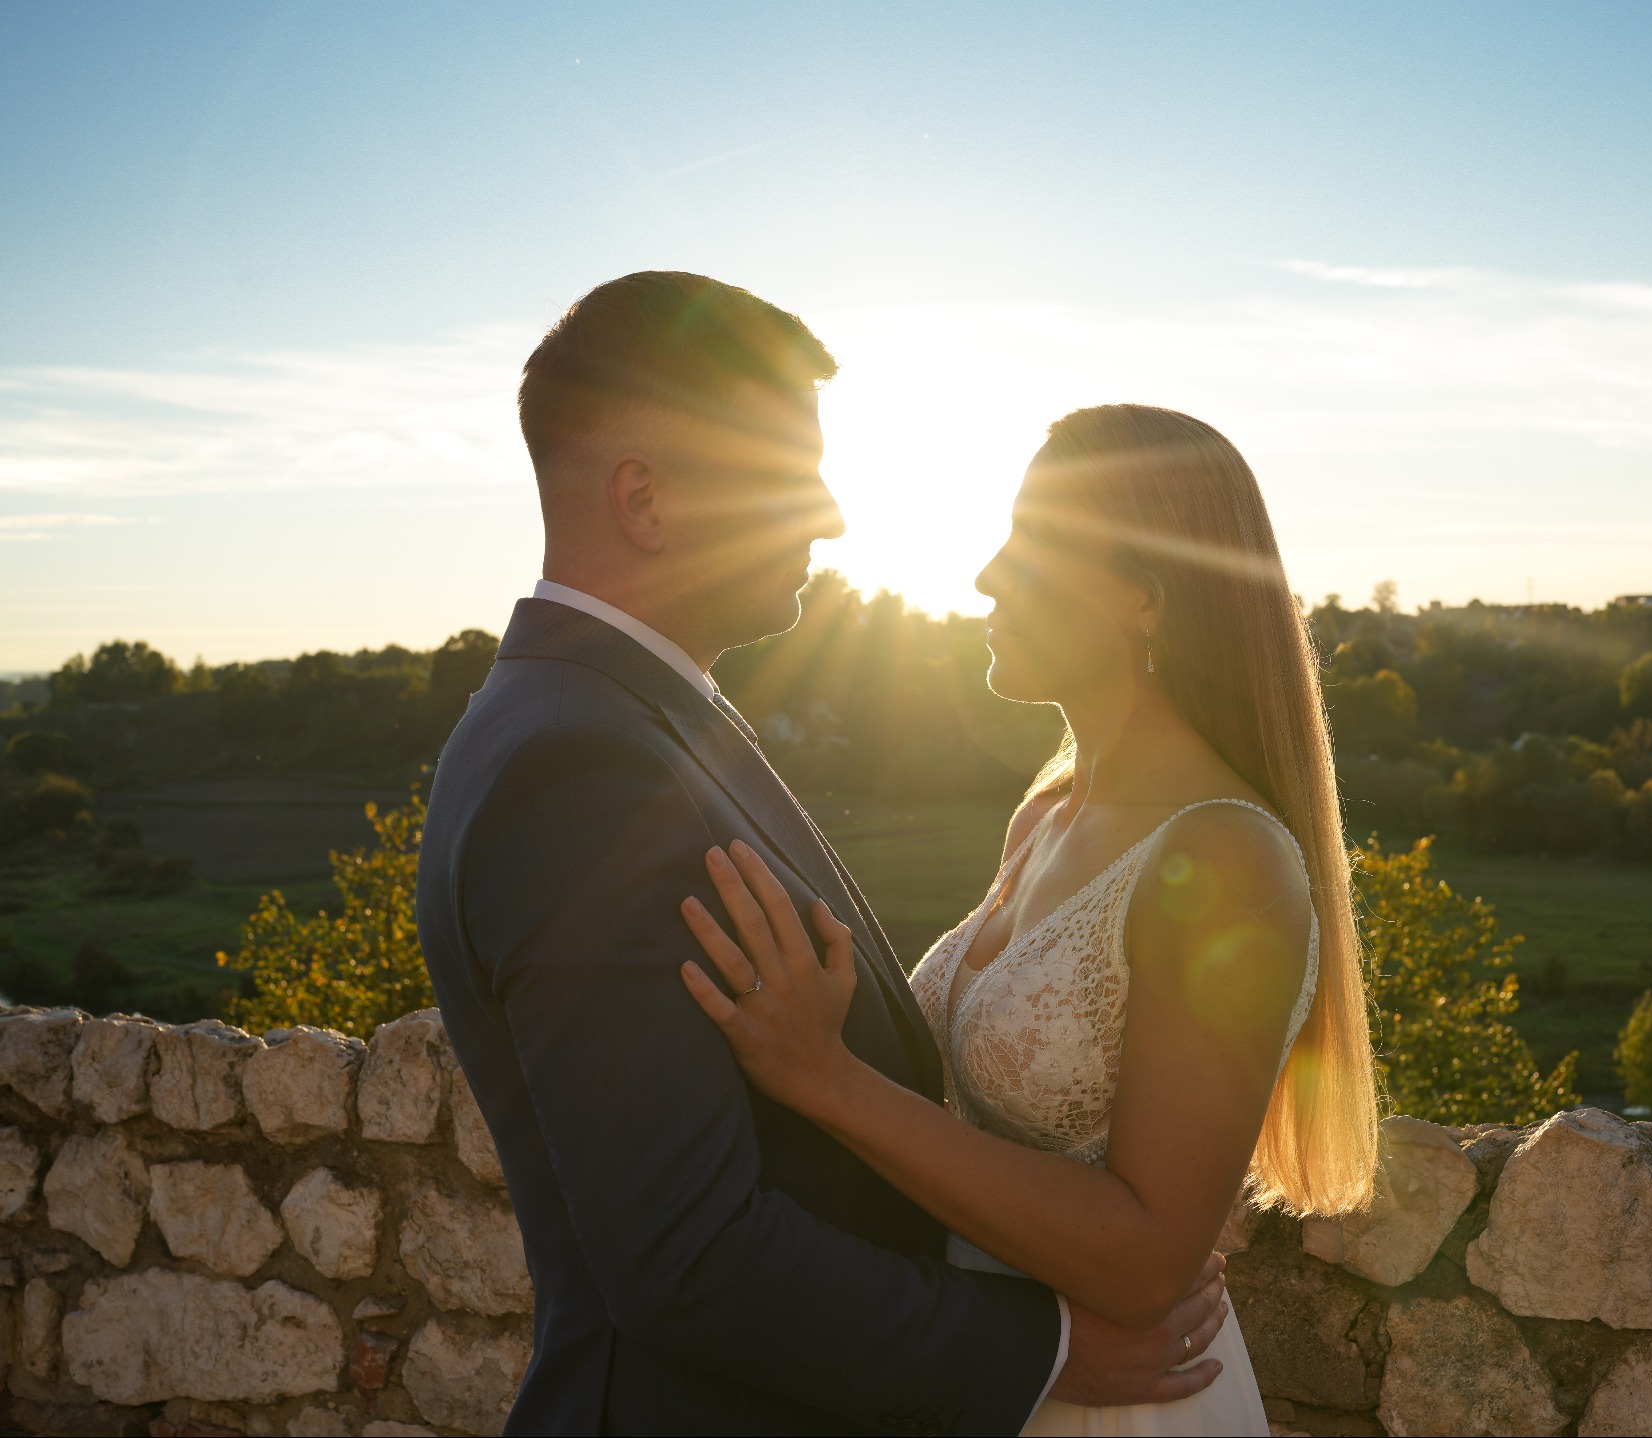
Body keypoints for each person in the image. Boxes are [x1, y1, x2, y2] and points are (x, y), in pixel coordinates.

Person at [415, 274, 1230, 1435]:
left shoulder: (626, 716)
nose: (832, 516)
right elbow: (688, 1254)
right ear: (644, 500)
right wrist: (1045, 1349)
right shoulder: (582, 774)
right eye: (786, 475)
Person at [677, 404, 1382, 1435]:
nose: (986, 578)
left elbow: (1147, 1261)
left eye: (1032, 543)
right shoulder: (1044, 814)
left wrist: (827, 1079)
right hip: (993, 1370)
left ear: (1148, 595)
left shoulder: (1224, 858)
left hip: (1121, 1406)